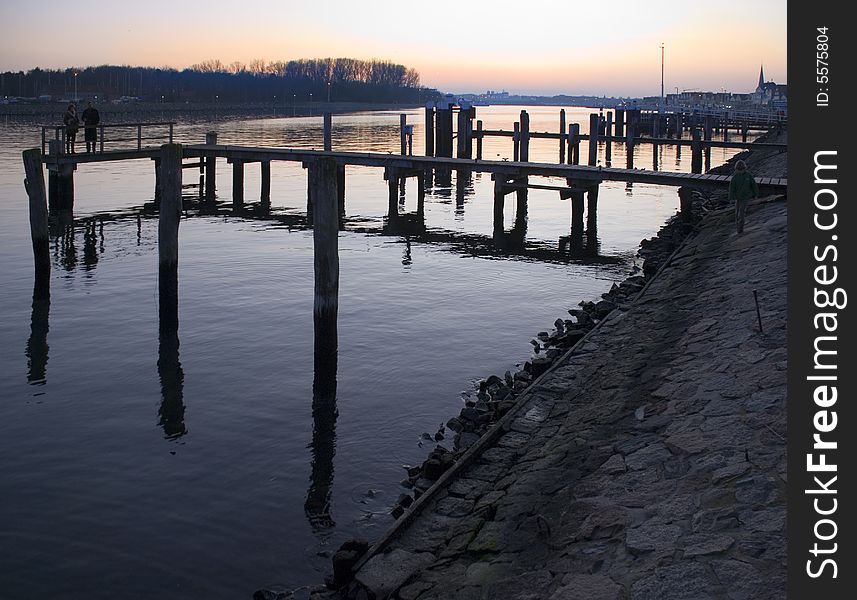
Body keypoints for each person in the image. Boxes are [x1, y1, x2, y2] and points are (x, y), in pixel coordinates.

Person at [728, 160, 759, 234]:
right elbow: (731, 188)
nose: (740, 171)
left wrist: (756, 194)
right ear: (736, 169)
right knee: (737, 213)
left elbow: (754, 185)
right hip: (738, 197)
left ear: (744, 168)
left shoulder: (748, 175)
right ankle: (738, 227)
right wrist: (731, 198)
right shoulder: (735, 177)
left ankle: (740, 229)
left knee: (741, 213)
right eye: (739, 170)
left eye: (742, 169)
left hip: (746, 197)